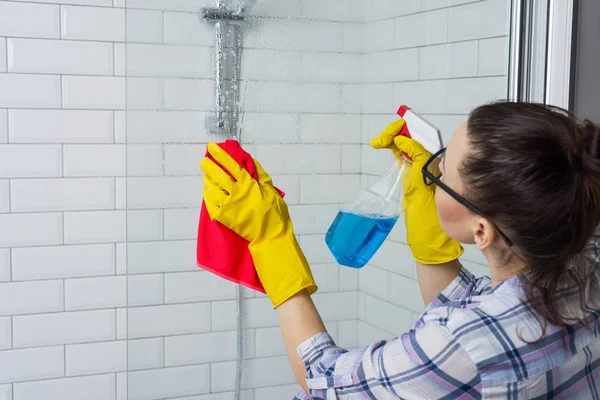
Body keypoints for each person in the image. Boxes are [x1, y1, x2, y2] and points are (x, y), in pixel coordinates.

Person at [200, 101, 600, 399]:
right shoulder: (585, 270)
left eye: (443, 173)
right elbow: (471, 307)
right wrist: (428, 223)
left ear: (481, 231)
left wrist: (270, 240)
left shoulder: (464, 345)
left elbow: (323, 379)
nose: (435, 169)